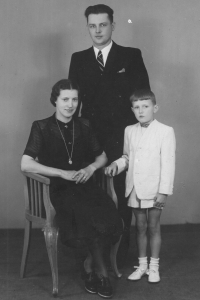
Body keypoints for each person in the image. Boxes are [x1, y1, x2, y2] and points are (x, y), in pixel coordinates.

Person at [21, 79, 123, 299]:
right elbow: (26, 163)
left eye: (74, 99)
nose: (70, 104)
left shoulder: (84, 125)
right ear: (55, 101)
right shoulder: (42, 126)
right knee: (85, 214)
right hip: (57, 189)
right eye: (65, 99)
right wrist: (61, 173)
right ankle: (102, 273)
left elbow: (102, 156)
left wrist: (90, 167)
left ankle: (88, 265)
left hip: (85, 185)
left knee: (104, 212)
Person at [69, 3, 150, 266]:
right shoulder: (78, 59)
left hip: (122, 137)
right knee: (89, 194)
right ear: (88, 28)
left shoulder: (130, 55)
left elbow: (142, 97)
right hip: (90, 138)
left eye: (103, 24)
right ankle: (94, 254)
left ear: (113, 26)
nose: (98, 31)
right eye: (92, 26)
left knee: (122, 194)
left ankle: (121, 255)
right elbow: (73, 103)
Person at [105, 89, 176, 283]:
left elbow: (168, 164)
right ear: (132, 110)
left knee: (153, 226)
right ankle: (142, 265)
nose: (141, 111)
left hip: (155, 189)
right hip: (135, 188)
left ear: (155, 107)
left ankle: (154, 267)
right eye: (136, 107)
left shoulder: (165, 131)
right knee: (140, 227)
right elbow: (127, 157)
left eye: (145, 106)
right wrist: (116, 165)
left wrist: (163, 192)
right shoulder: (130, 130)